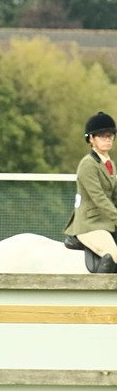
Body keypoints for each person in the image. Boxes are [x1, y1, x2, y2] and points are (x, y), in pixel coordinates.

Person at [65, 111, 117, 273]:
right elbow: (98, 197)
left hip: (106, 222)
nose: (107, 139)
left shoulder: (110, 164)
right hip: (89, 225)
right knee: (114, 254)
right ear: (91, 139)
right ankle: (98, 288)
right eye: (102, 136)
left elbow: (114, 196)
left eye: (110, 135)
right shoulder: (87, 164)